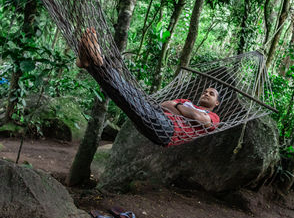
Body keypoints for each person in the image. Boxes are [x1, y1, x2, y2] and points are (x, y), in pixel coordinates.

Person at [76, 28, 220, 146]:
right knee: (125, 96)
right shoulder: (187, 101)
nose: (206, 94)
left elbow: (197, 117)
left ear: (216, 103)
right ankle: (89, 64)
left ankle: (97, 60)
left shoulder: (214, 117)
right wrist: (183, 111)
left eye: (211, 94)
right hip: (157, 118)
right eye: (205, 92)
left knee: (129, 95)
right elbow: (164, 105)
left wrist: (178, 108)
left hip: (169, 131)